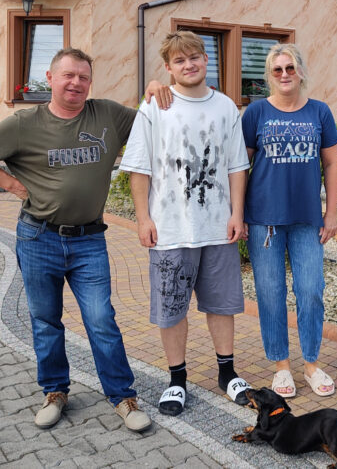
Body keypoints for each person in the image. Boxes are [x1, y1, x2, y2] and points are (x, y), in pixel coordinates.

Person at [0, 48, 171, 432]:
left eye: (83, 78)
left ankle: (123, 397)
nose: (76, 83)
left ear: (90, 83)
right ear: (50, 78)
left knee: (101, 320)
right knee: (46, 321)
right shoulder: (24, 123)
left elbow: (152, 120)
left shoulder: (106, 114)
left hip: (89, 239)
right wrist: (10, 184)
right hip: (39, 237)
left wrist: (154, 89)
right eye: (68, 75)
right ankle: (55, 391)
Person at [119, 31, 252, 417]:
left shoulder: (226, 107)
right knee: (171, 306)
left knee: (221, 305)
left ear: (206, 59)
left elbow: (236, 167)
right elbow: (139, 170)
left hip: (217, 227)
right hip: (171, 228)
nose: (189, 65)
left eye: (195, 57)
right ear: (168, 67)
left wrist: (236, 213)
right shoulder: (154, 107)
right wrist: (143, 219)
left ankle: (227, 374)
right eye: (180, 61)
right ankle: (176, 380)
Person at [242, 43, 337, 398]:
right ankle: (281, 366)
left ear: (300, 71)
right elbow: (241, 168)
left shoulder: (319, 112)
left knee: (311, 291)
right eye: (277, 69)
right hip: (264, 220)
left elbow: (331, 164)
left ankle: (311, 363)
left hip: (306, 219)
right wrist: (236, 214)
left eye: (290, 68)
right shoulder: (256, 113)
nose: (284, 74)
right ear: (269, 76)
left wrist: (331, 212)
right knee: (270, 294)